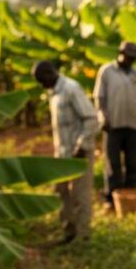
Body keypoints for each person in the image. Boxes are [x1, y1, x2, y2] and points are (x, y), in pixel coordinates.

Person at [33, 60, 98, 244]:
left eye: (40, 79)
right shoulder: (53, 93)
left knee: (80, 195)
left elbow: (91, 119)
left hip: (79, 153)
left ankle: (83, 236)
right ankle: (69, 231)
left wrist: (82, 145)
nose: (40, 84)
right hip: (62, 154)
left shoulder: (71, 88)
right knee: (61, 193)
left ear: (49, 73)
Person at [94, 41, 136, 207]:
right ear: (120, 53)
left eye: (133, 58)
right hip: (113, 125)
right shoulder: (107, 71)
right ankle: (111, 196)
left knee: (133, 162)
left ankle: (130, 195)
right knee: (113, 163)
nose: (130, 60)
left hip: (133, 125)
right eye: (127, 57)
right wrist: (102, 117)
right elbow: (99, 97)